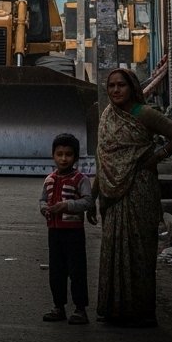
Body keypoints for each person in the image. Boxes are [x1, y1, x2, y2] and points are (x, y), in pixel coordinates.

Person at [94, 68, 172, 327]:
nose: (115, 90)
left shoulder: (144, 114)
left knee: (138, 250)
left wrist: (158, 156)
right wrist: (94, 192)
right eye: (111, 86)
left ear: (132, 88)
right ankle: (114, 308)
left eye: (121, 85)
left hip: (140, 189)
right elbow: (103, 158)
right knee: (113, 246)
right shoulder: (107, 115)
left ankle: (141, 312)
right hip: (112, 195)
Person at [39, 132, 96, 325]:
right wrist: (44, 209)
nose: (64, 158)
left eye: (68, 154)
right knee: (56, 270)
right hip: (54, 232)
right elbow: (42, 200)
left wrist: (66, 206)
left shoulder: (81, 179)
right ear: (53, 155)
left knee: (77, 270)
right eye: (60, 154)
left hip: (73, 232)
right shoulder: (49, 179)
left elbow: (88, 201)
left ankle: (80, 309)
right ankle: (58, 307)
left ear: (76, 157)